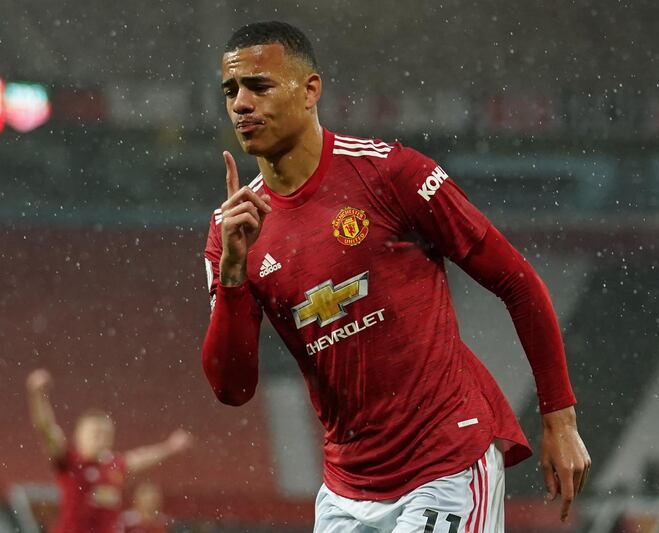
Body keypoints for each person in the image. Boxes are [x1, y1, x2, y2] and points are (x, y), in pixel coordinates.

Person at [202, 21, 590, 532]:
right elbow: (232, 389)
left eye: (259, 86)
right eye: (231, 91)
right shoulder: (232, 231)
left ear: (310, 89)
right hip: (346, 490)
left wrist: (559, 419)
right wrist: (232, 274)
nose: (241, 104)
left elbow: (516, 281)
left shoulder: (390, 174)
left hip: (445, 464)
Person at [26, 369, 192, 533]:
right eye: (96, 433)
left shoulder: (113, 464)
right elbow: (46, 429)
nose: (102, 438)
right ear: (79, 436)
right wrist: (38, 396)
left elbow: (139, 457)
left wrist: (170, 447)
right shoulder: (69, 460)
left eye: (106, 434)